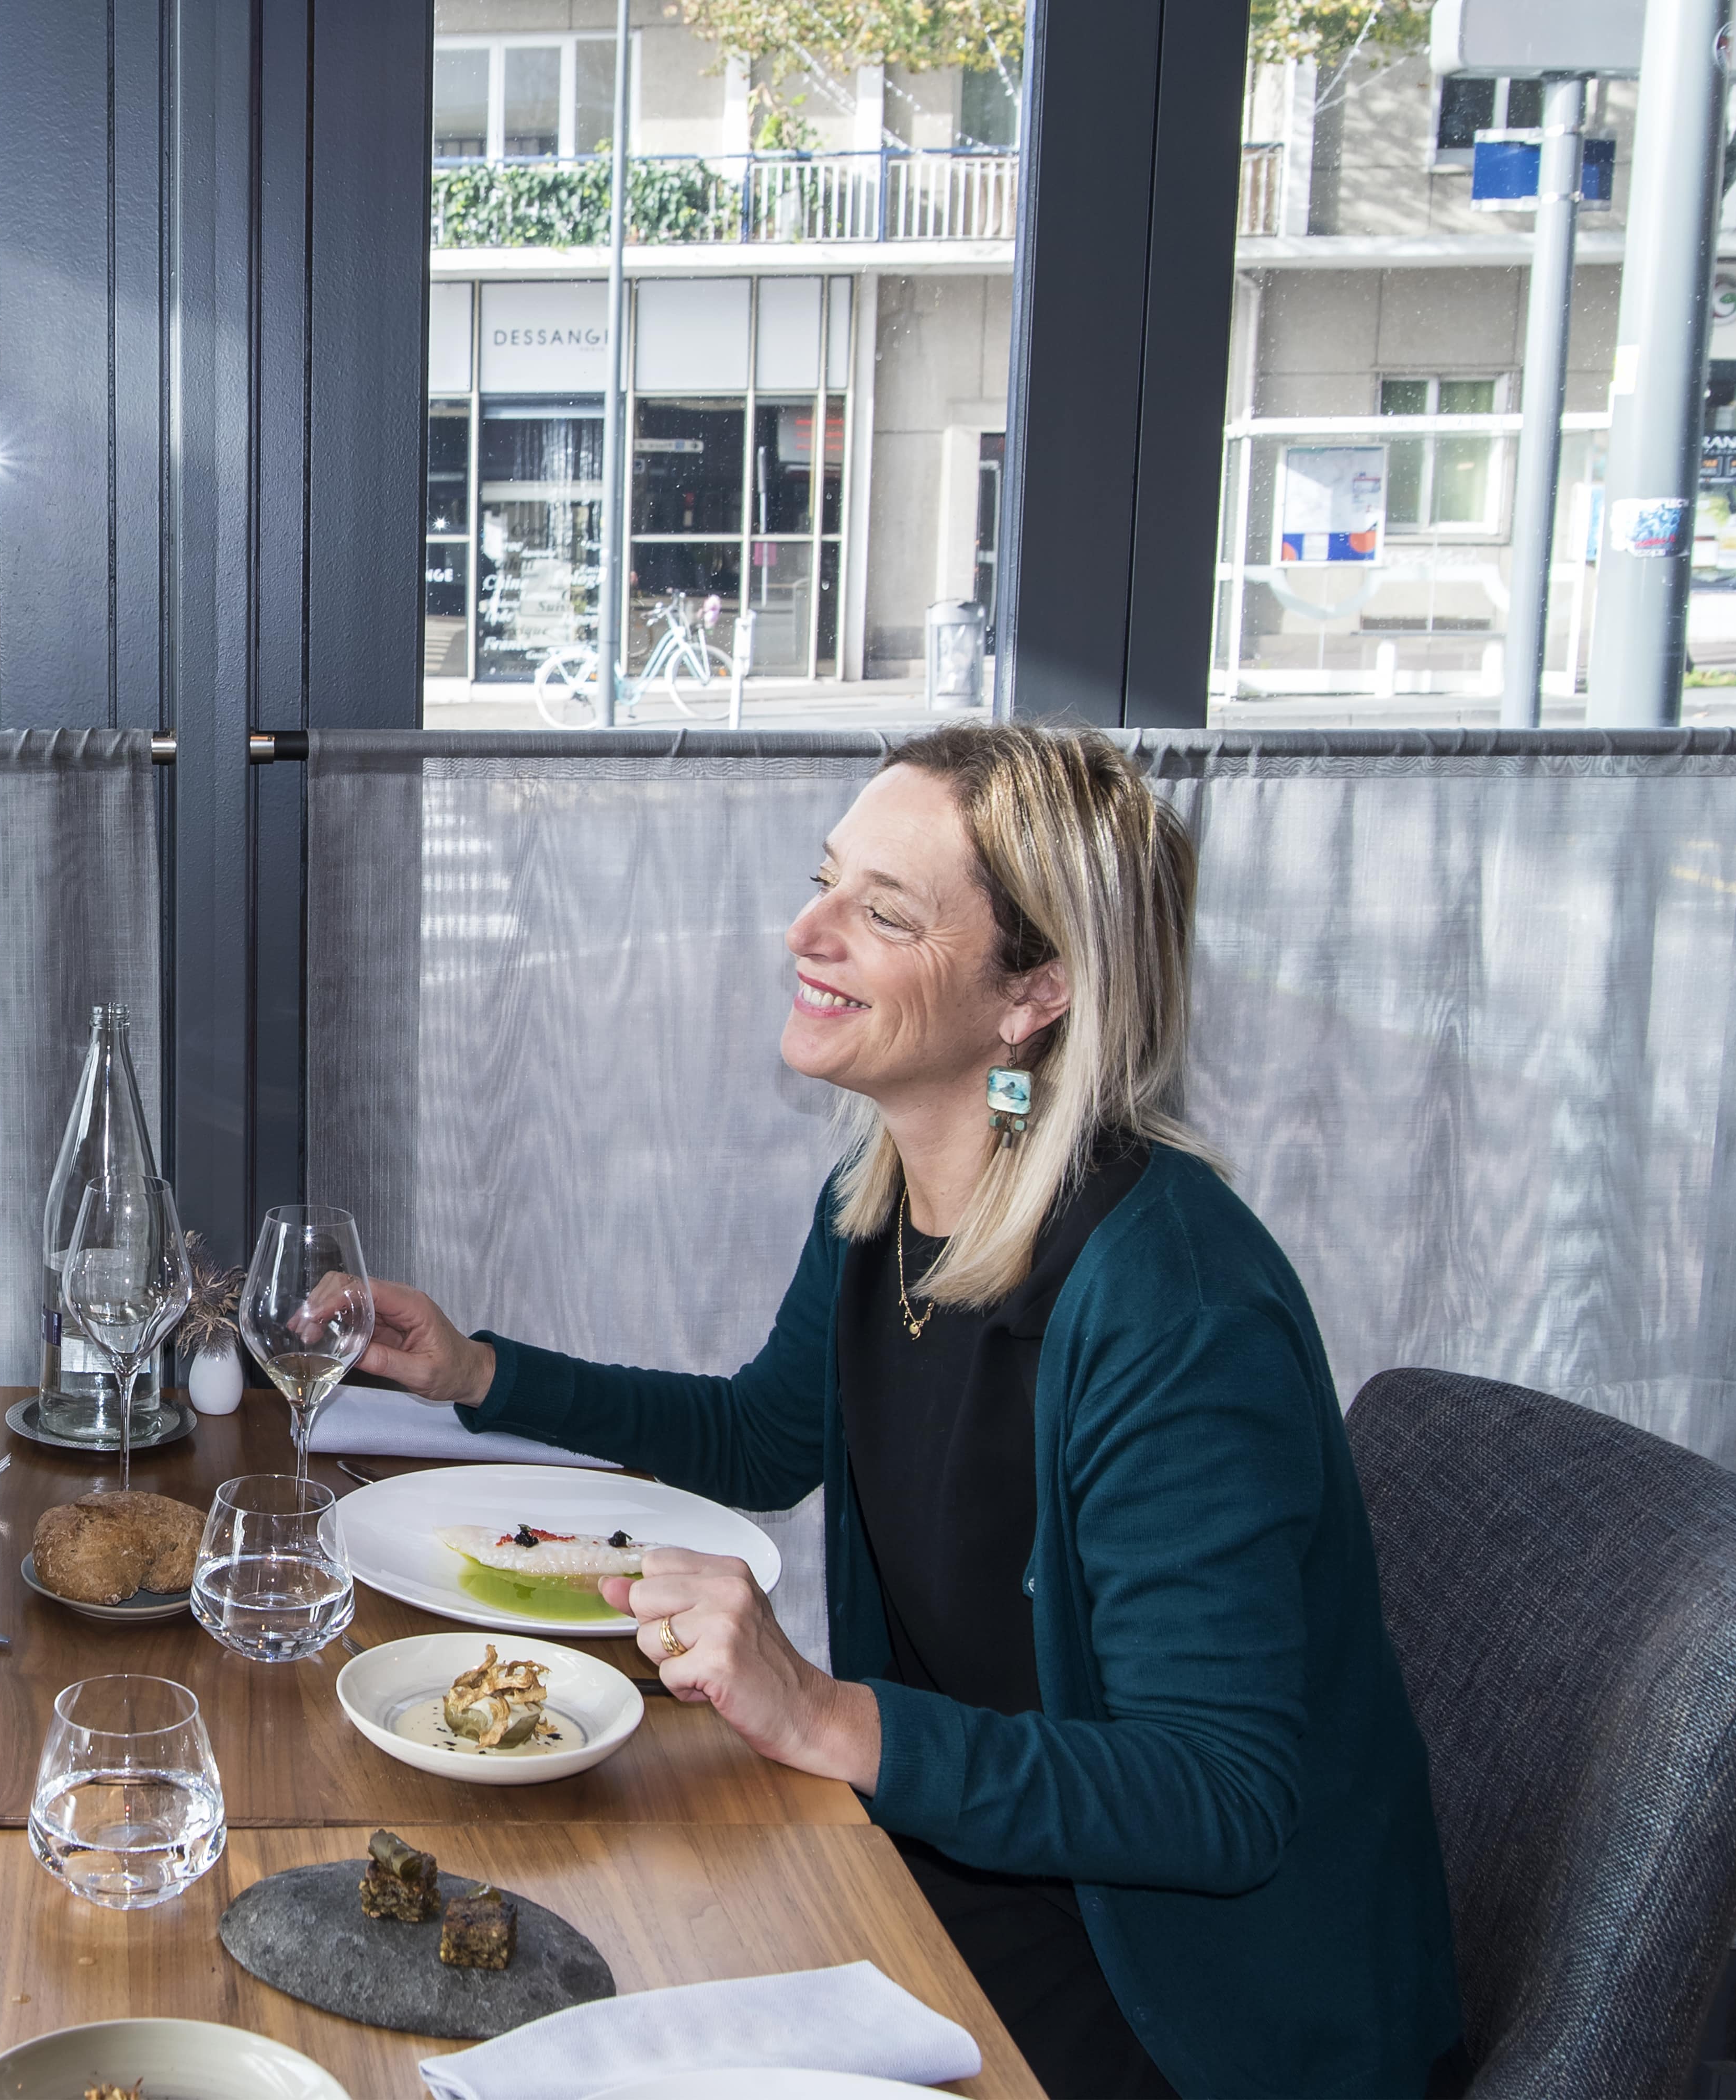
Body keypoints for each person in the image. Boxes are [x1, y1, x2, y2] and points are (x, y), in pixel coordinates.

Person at [358, 722, 1461, 2099]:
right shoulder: (887, 1196)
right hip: (973, 1881)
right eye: (829, 882)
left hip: (1187, 2010)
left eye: (883, 914)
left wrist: (825, 1718)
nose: (806, 931)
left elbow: (1221, 1797)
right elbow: (770, 1435)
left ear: (1033, 995)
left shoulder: (1177, 1308)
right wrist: (478, 1376)